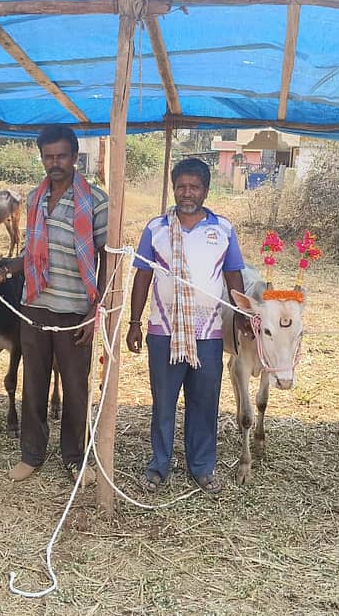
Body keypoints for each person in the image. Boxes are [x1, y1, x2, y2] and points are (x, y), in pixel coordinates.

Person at [0, 125, 108, 485]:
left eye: (61, 156)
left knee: (75, 386)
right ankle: (32, 454)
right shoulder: (34, 198)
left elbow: (106, 258)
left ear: (75, 157)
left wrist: (96, 310)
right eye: (48, 156)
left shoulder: (97, 202)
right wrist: (6, 272)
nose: (54, 163)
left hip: (76, 308)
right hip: (36, 304)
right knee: (34, 382)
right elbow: (32, 253)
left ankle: (75, 458)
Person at [125, 158, 247, 496]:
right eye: (181, 186)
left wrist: (239, 316)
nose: (187, 193)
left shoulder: (222, 230)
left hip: (208, 333)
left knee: (204, 402)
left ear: (206, 190)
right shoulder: (156, 229)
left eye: (194, 187)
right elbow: (143, 275)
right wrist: (135, 323)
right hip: (163, 331)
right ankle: (158, 465)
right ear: (173, 188)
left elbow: (233, 274)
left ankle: (202, 467)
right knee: (163, 402)